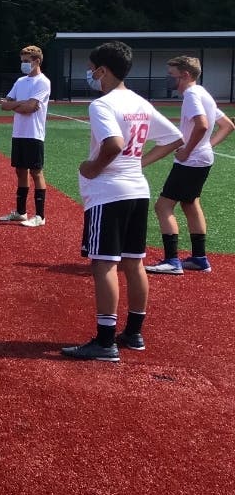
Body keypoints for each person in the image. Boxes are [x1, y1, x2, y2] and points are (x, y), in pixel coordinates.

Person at [62, 41, 182, 363]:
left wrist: (91, 168)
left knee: (104, 263)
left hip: (109, 192)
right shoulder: (139, 102)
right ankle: (134, 332)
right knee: (134, 261)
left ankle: (104, 342)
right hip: (136, 191)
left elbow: (113, 144)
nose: (89, 73)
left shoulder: (102, 105)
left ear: (102, 70)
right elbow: (174, 138)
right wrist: (139, 162)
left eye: (91, 68)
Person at [145, 56, 235, 275]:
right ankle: (199, 258)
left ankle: (172, 261)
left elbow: (202, 125)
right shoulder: (203, 93)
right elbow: (228, 125)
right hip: (202, 158)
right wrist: (206, 146)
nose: (168, 79)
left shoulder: (192, 95)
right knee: (190, 204)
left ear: (185, 75)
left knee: (163, 206)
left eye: (171, 74)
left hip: (192, 161)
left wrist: (188, 150)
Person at [0, 46, 52, 227]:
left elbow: (30, 109)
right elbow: (4, 105)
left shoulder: (43, 82)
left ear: (37, 61)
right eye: (22, 61)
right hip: (19, 133)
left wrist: (17, 105)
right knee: (20, 171)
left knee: (36, 172)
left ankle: (40, 216)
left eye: (27, 61)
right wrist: (21, 103)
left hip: (34, 134)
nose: (24, 64)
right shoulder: (21, 81)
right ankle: (21, 212)